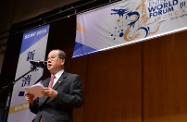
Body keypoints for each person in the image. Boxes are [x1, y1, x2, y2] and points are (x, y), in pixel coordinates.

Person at [25, 49, 83, 122]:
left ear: (62, 61)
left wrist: (56, 94)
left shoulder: (72, 78)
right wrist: (32, 101)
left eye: (52, 58)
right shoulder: (43, 83)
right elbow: (36, 109)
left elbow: (78, 101)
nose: (48, 61)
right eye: (48, 59)